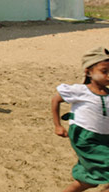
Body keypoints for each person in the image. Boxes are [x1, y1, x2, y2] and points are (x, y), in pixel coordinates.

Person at [51, 47, 109, 191]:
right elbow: (56, 100)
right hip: (85, 138)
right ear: (88, 72)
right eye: (104, 71)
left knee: (89, 180)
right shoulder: (81, 91)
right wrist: (58, 125)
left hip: (104, 138)